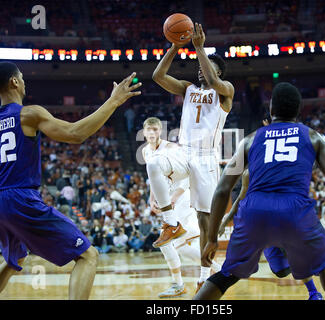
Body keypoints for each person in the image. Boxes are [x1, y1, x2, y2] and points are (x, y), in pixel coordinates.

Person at [194, 82, 325, 300]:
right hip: (294, 210)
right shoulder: (313, 137)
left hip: (253, 213)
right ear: (298, 110)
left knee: (226, 275)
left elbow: (222, 190)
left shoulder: (250, 140)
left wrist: (211, 238)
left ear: (271, 110)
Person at [0, 61, 141, 299]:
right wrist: (113, 101)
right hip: (19, 197)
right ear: (14, 81)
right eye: (22, 77)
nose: (24, 82)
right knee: (88, 256)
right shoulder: (29, 113)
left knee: (17, 258)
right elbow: (75, 134)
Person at [150, 23, 235, 291]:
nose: (200, 67)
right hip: (184, 151)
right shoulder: (188, 89)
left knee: (203, 220)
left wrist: (200, 48)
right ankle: (171, 223)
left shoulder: (225, 91)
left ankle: (204, 274)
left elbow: (212, 81)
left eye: (208, 64)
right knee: (154, 162)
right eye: (200, 63)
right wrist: (175, 47)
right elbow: (158, 75)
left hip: (207, 158)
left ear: (219, 71)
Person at [142, 117, 221, 298]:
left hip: (182, 196)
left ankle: (179, 283)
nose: (152, 133)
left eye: (155, 130)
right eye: (149, 130)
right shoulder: (146, 151)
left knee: (168, 243)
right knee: (179, 246)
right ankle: (218, 270)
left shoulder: (171, 148)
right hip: (168, 201)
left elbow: (186, 176)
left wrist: (174, 198)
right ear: (144, 132)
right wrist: (152, 198)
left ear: (160, 131)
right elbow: (155, 178)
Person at [218, 168, 323, 300]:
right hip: (259, 222)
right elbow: (240, 199)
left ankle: (313, 291)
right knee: (280, 271)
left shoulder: (280, 169)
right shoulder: (249, 174)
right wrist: (225, 222)